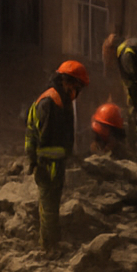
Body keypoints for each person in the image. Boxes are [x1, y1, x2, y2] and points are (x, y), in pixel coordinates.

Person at [24, 61, 89, 250]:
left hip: (54, 162)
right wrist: (36, 163)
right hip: (47, 163)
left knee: (52, 204)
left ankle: (52, 240)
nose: (78, 93)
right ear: (69, 83)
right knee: (49, 205)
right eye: (78, 87)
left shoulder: (59, 99)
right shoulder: (51, 102)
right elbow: (41, 137)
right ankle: (48, 247)